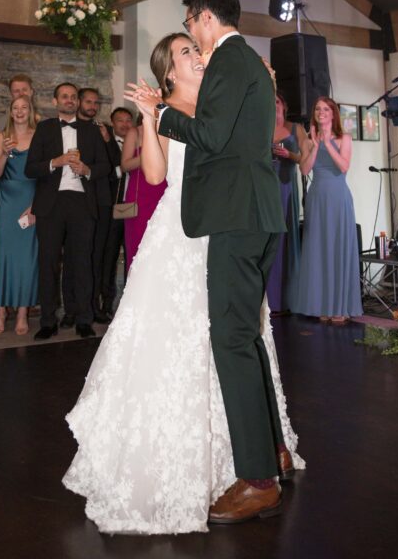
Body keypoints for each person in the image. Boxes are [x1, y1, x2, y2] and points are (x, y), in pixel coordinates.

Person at [63, 31, 302, 534]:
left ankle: (265, 446)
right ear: (169, 72)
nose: (197, 56)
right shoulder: (166, 108)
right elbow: (153, 175)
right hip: (180, 234)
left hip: (228, 230)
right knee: (186, 341)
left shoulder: (222, 96)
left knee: (240, 336)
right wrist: (152, 118)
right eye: (186, 53)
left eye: (196, 48)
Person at [25, 82, 110, 340]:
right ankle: (48, 320)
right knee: (48, 262)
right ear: (55, 101)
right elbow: (30, 169)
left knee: (82, 262)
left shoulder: (91, 130)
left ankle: (84, 318)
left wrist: (87, 170)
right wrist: (56, 162)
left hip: (82, 202)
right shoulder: (44, 128)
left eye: (74, 97)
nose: (70, 100)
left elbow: (105, 166)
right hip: (51, 203)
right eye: (65, 97)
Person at [295, 96, 362, 325]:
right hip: (317, 198)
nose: (321, 112)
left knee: (337, 248)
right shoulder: (308, 140)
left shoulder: (344, 138)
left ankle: (340, 306)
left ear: (333, 114)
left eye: (325, 109)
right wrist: (314, 146)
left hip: (338, 198)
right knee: (319, 249)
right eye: (317, 109)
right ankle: (322, 304)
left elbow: (343, 166)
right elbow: (304, 170)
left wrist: (325, 143)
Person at [0, 95, 38, 335]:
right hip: (7, 202)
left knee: (27, 259)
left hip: (30, 200)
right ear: (9, 112)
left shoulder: (39, 135)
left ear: (30, 110)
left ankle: (22, 312)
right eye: (15, 108)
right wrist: (5, 154)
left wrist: (36, 206)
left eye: (24, 107)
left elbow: (45, 175)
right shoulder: (2, 137)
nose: (19, 112)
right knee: (4, 257)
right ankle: (0, 311)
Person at [76, 87, 120, 324]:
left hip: (101, 200)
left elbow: (116, 164)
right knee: (78, 256)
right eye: (89, 102)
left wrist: (108, 140)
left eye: (96, 103)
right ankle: (75, 309)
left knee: (100, 256)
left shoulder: (105, 131)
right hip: (75, 200)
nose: (92, 106)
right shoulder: (67, 127)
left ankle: (95, 307)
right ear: (79, 103)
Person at [268, 94, 306, 314]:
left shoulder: (296, 129)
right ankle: (270, 299)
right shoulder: (260, 125)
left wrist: (289, 154)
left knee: (287, 238)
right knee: (270, 239)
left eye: (277, 101)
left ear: (284, 105)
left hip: (287, 186)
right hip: (267, 187)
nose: (273, 105)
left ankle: (289, 299)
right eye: (269, 100)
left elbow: (306, 159)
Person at [99, 106, 134, 318]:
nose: (124, 124)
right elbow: (104, 171)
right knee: (108, 258)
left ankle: (130, 303)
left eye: (128, 120)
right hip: (112, 209)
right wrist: (123, 167)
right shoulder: (106, 144)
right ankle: (106, 303)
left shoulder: (141, 142)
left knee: (133, 257)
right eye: (119, 120)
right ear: (113, 123)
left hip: (134, 209)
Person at [120, 117, 166, 270]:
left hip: (163, 192)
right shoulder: (135, 132)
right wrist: (148, 156)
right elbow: (125, 165)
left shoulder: (168, 131)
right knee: (138, 242)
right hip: (140, 195)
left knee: (161, 242)